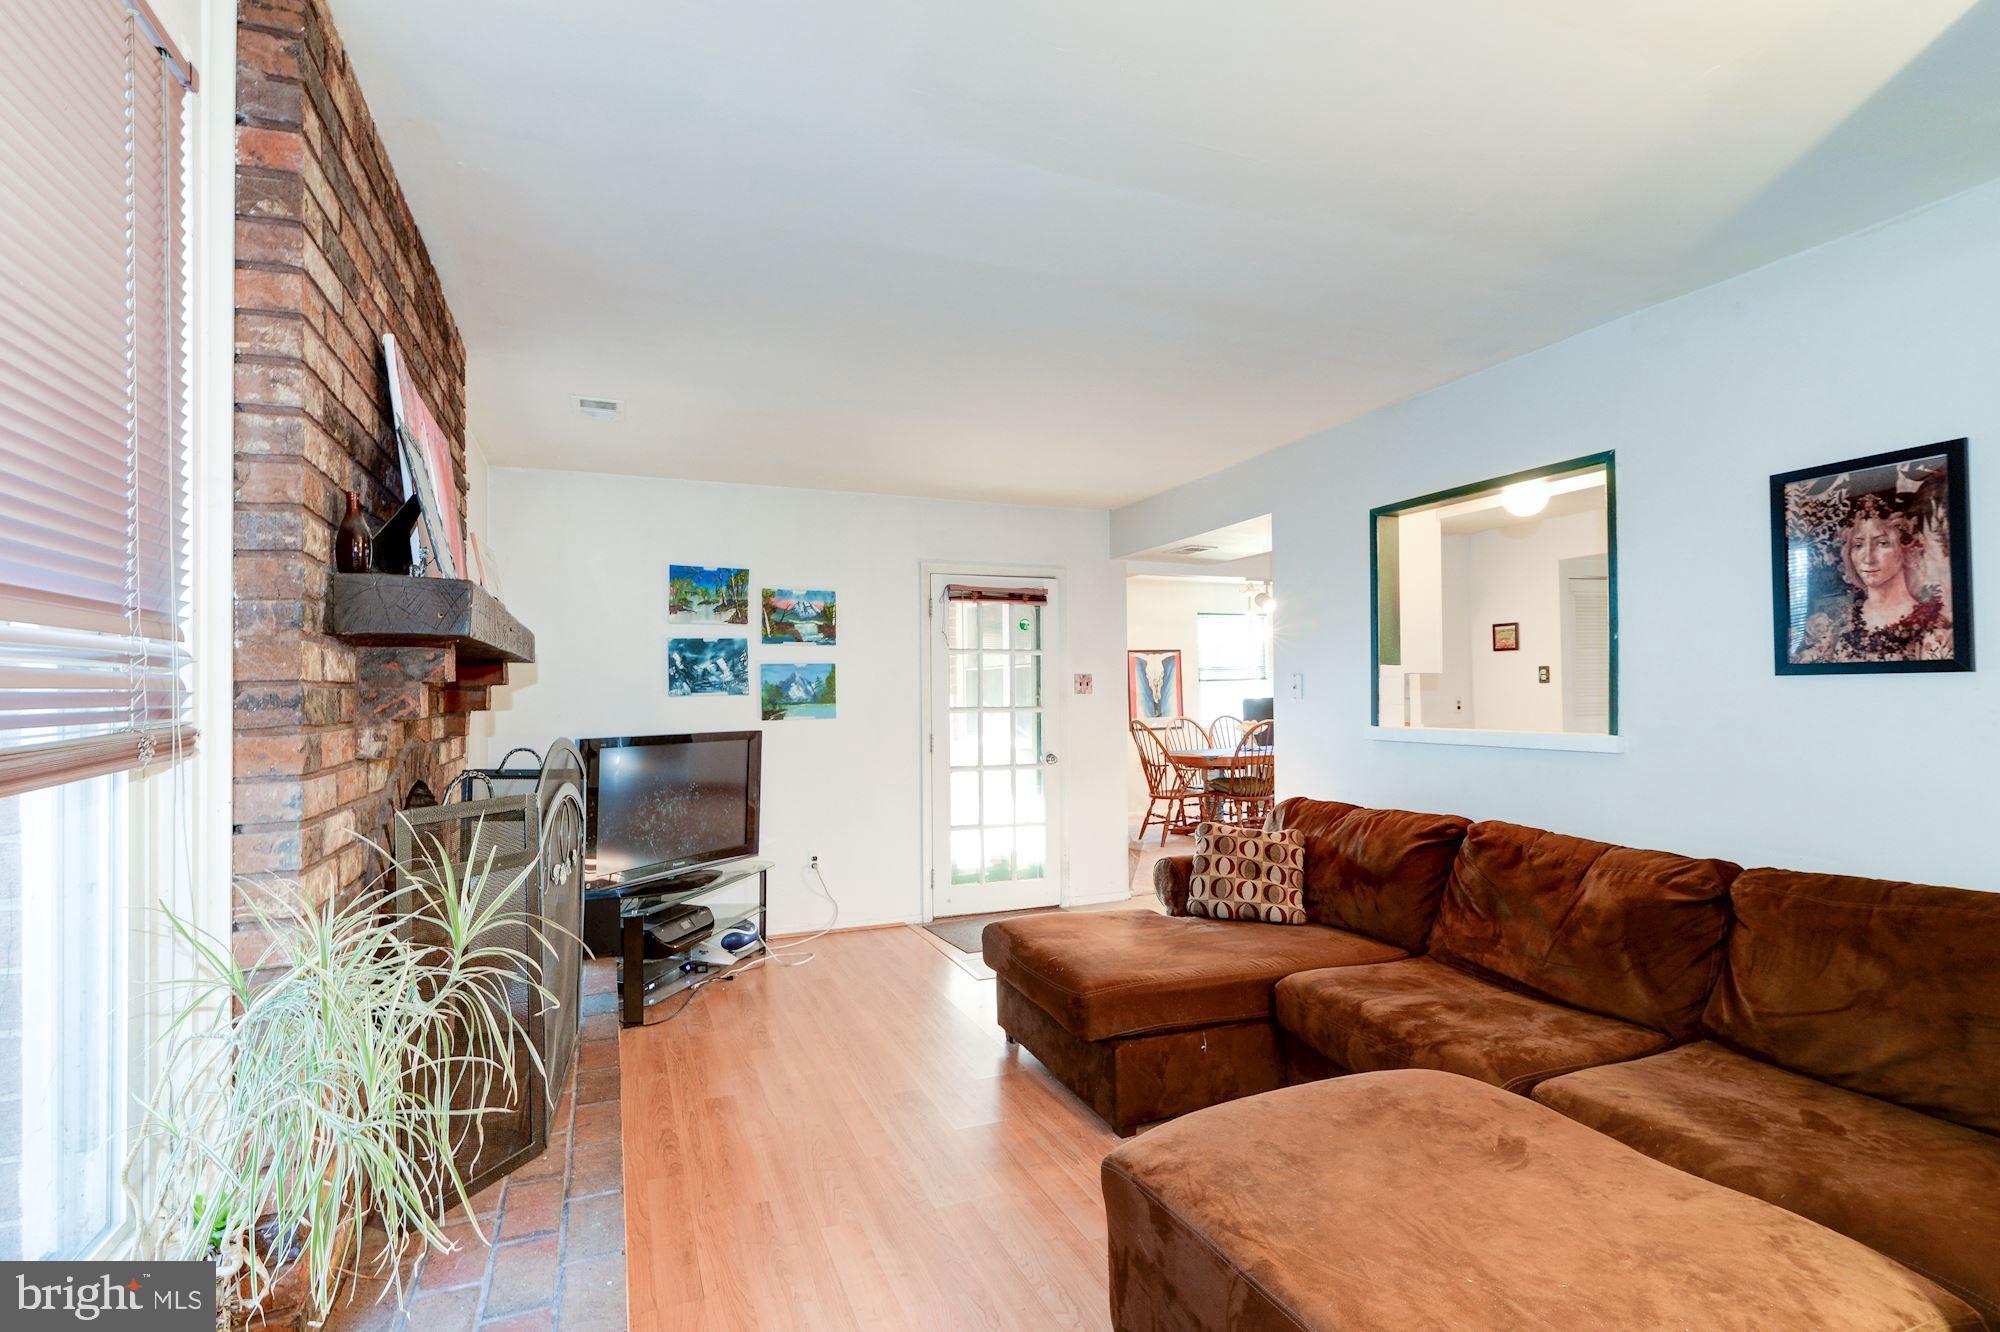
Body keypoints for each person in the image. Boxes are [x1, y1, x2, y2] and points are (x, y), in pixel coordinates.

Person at [1796, 493, 1952, 663]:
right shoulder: (1839, 625)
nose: (1868, 558)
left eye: (1882, 543)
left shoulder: (1933, 628)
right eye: (1858, 545)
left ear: (1905, 548)